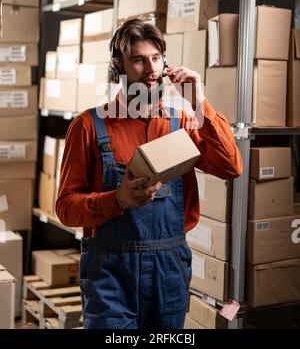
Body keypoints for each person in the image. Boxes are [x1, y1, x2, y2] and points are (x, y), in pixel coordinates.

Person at [56, 18, 243, 330]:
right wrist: (116, 199)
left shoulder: (181, 122)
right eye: (138, 60)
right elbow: (65, 207)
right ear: (119, 67)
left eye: (156, 58)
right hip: (110, 271)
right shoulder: (89, 125)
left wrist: (198, 101)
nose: (152, 70)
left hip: (168, 268)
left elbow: (230, 166)